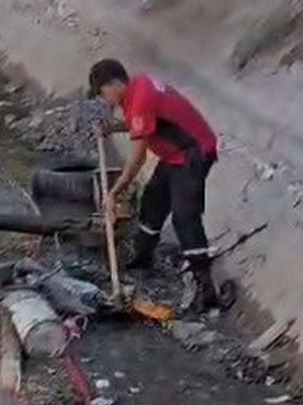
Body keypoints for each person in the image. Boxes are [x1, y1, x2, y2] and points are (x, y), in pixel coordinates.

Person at [88, 59, 223, 310]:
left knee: (185, 217)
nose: (104, 100)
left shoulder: (140, 99)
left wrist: (115, 191)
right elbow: (144, 121)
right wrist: (113, 127)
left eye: (102, 93)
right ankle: (142, 258)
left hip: (194, 152)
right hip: (173, 156)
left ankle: (205, 287)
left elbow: (138, 157)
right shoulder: (136, 88)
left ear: (114, 84)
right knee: (152, 202)